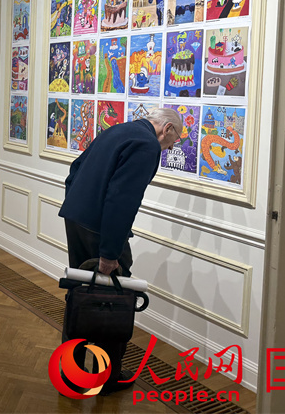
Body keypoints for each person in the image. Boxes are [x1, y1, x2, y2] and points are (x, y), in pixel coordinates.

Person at [58, 107, 182, 395]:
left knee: (79, 295)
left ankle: (71, 373)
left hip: (77, 219)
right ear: (167, 129)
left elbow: (74, 170)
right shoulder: (147, 144)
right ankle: (107, 378)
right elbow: (122, 200)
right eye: (174, 140)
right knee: (112, 301)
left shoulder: (119, 129)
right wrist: (109, 253)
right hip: (101, 230)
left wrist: (78, 207)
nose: (171, 147)